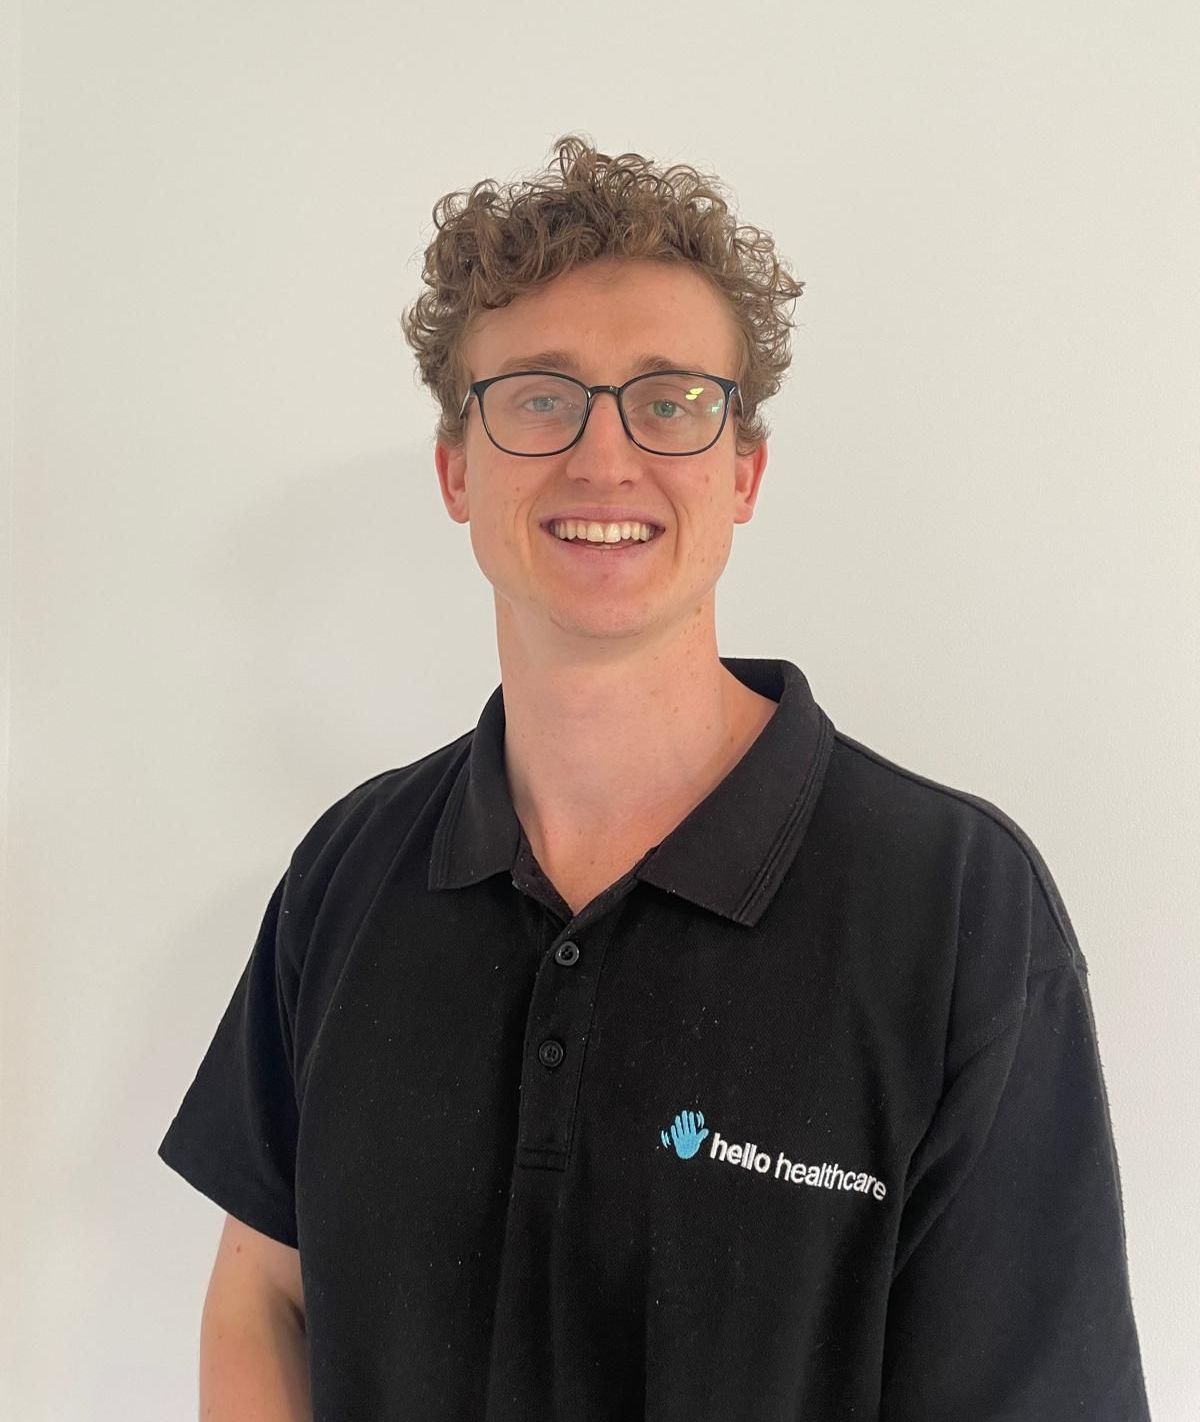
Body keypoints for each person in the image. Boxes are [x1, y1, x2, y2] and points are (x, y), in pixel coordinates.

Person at [158, 133, 1152, 1421]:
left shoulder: (957, 905)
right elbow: (264, 1293)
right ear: (457, 469)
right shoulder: (350, 871)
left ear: (743, 473)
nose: (604, 458)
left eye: (671, 401)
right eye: (539, 397)